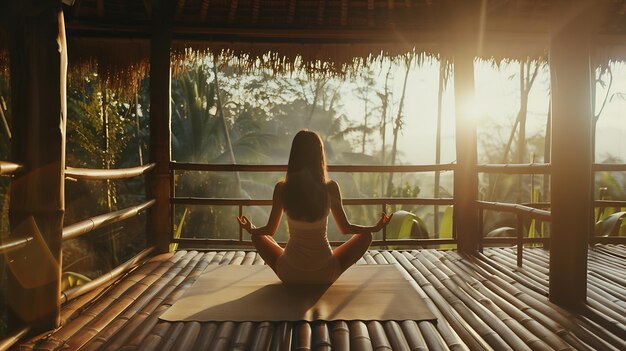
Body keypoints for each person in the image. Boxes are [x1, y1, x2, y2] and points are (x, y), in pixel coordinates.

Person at [237, 130, 391, 284]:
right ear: (319, 155)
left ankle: (292, 261)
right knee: (367, 236)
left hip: (290, 273)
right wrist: (374, 229)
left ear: (294, 155)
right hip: (325, 273)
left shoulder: (282, 188)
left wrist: (251, 229)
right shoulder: (331, 187)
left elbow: (269, 230)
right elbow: (346, 228)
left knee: (257, 236)